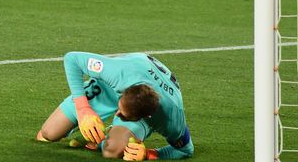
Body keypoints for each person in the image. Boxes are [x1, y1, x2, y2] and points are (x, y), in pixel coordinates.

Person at [37, 51, 194, 160]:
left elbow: (186, 150)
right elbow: (72, 59)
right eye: (120, 108)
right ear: (126, 91)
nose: (117, 113)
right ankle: (86, 124)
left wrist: (148, 154)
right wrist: (83, 110)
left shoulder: (170, 118)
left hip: (150, 102)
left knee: (112, 151)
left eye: (122, 115)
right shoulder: (119, 74)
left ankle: (104, 139)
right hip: (110, 88)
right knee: (48, 133)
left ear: (146, 118)